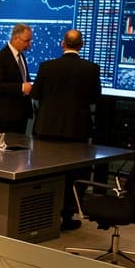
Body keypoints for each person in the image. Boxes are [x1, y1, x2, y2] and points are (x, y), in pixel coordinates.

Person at [31, 28, 102, 231]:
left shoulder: (46, 66)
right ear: (82, 45)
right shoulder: (91, 68)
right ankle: (67, 216)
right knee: (74, 174)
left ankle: (43, 214)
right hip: (76, 129)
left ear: (63, 44)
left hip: (46, 128)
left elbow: (36, 94)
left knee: (45, 172)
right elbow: (94, 98)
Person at [0, 22, 34, 134]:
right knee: (9, 144)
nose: (29, 44)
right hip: (7, 113)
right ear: (15, 38)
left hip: (22, 112)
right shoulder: (0, 57)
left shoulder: (21, 56)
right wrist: (21, 88)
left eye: (30, 40)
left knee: (20, 144)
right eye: (26, 41)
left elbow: (24, 78)